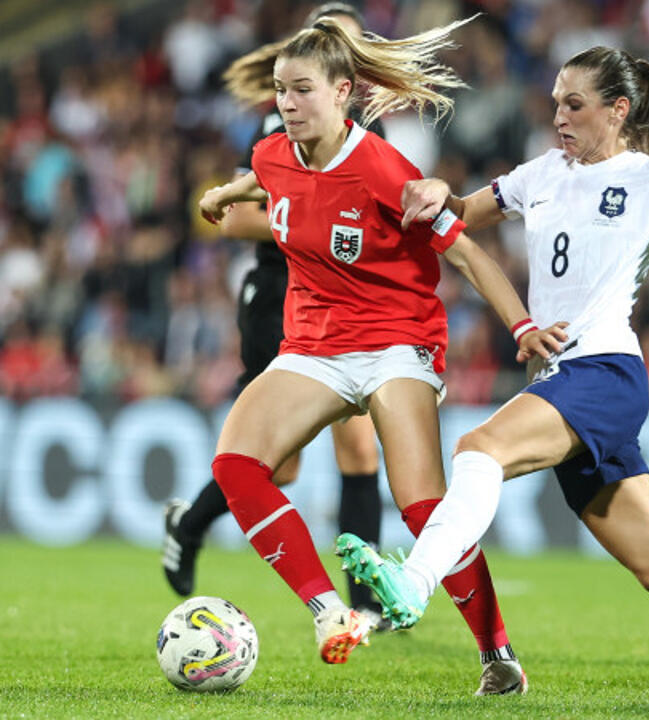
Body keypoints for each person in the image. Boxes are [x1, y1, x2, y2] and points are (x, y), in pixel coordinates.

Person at [197, 13, 566, 691]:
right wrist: (225, 192)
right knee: (235, 464)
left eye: (303, 90)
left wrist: (521, 329)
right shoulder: (274, 151)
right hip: (314, 343)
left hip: (398, 340)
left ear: (343, 92)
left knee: (423, 507)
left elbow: (467, 254)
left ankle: (496, 654)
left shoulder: (382, 168)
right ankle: (327, 610)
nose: (287, 103)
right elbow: (265, 177)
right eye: (280, 90)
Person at [336, 46, 649, 655]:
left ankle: (412, 582)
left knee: (480, 447)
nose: (560, 117)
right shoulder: (540, 173)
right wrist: (438, 189)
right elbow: (460, 214)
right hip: (560, 381)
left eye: (575, 104)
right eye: (555, 104)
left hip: (604, 373)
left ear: (618, 111)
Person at [163, 1, 388, 631]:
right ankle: (191, 520)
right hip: (280, 290)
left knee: (359, 451)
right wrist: (309, 222)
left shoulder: (368, 129)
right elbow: (233, 217)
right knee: (278, 463)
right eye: (331, 43)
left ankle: (366, 604)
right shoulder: (277, 123)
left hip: (342, 296)